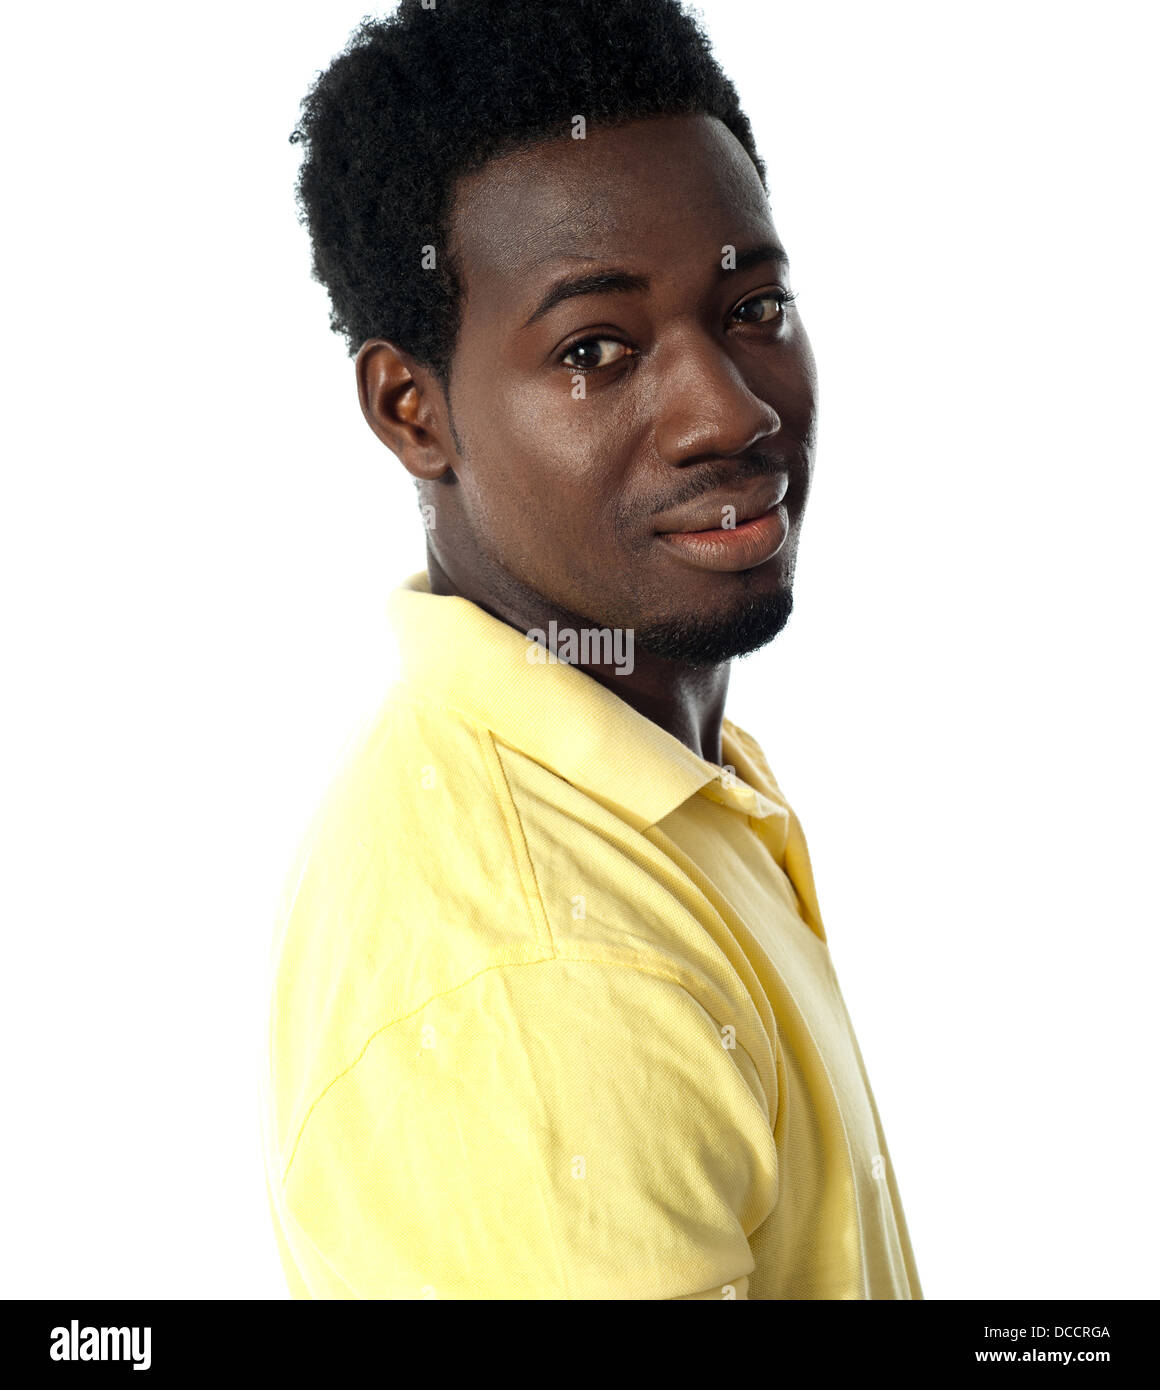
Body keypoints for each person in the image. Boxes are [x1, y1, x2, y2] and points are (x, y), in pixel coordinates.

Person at [261, 0, 923, 1300]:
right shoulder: (545, 979)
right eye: (596, 349)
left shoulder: (639, 772)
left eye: (753, 305)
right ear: (414, 411)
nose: (728, 412)